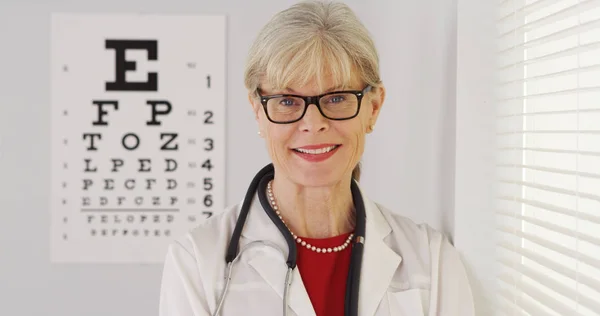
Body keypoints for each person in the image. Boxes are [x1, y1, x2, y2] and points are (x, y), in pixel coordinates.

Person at [158, 1, 475, 315]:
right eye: (287, 101)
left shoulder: (431, 262)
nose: (313, 123)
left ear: (373, 108)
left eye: (337, 98)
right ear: (258, 111)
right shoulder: (198, 261)